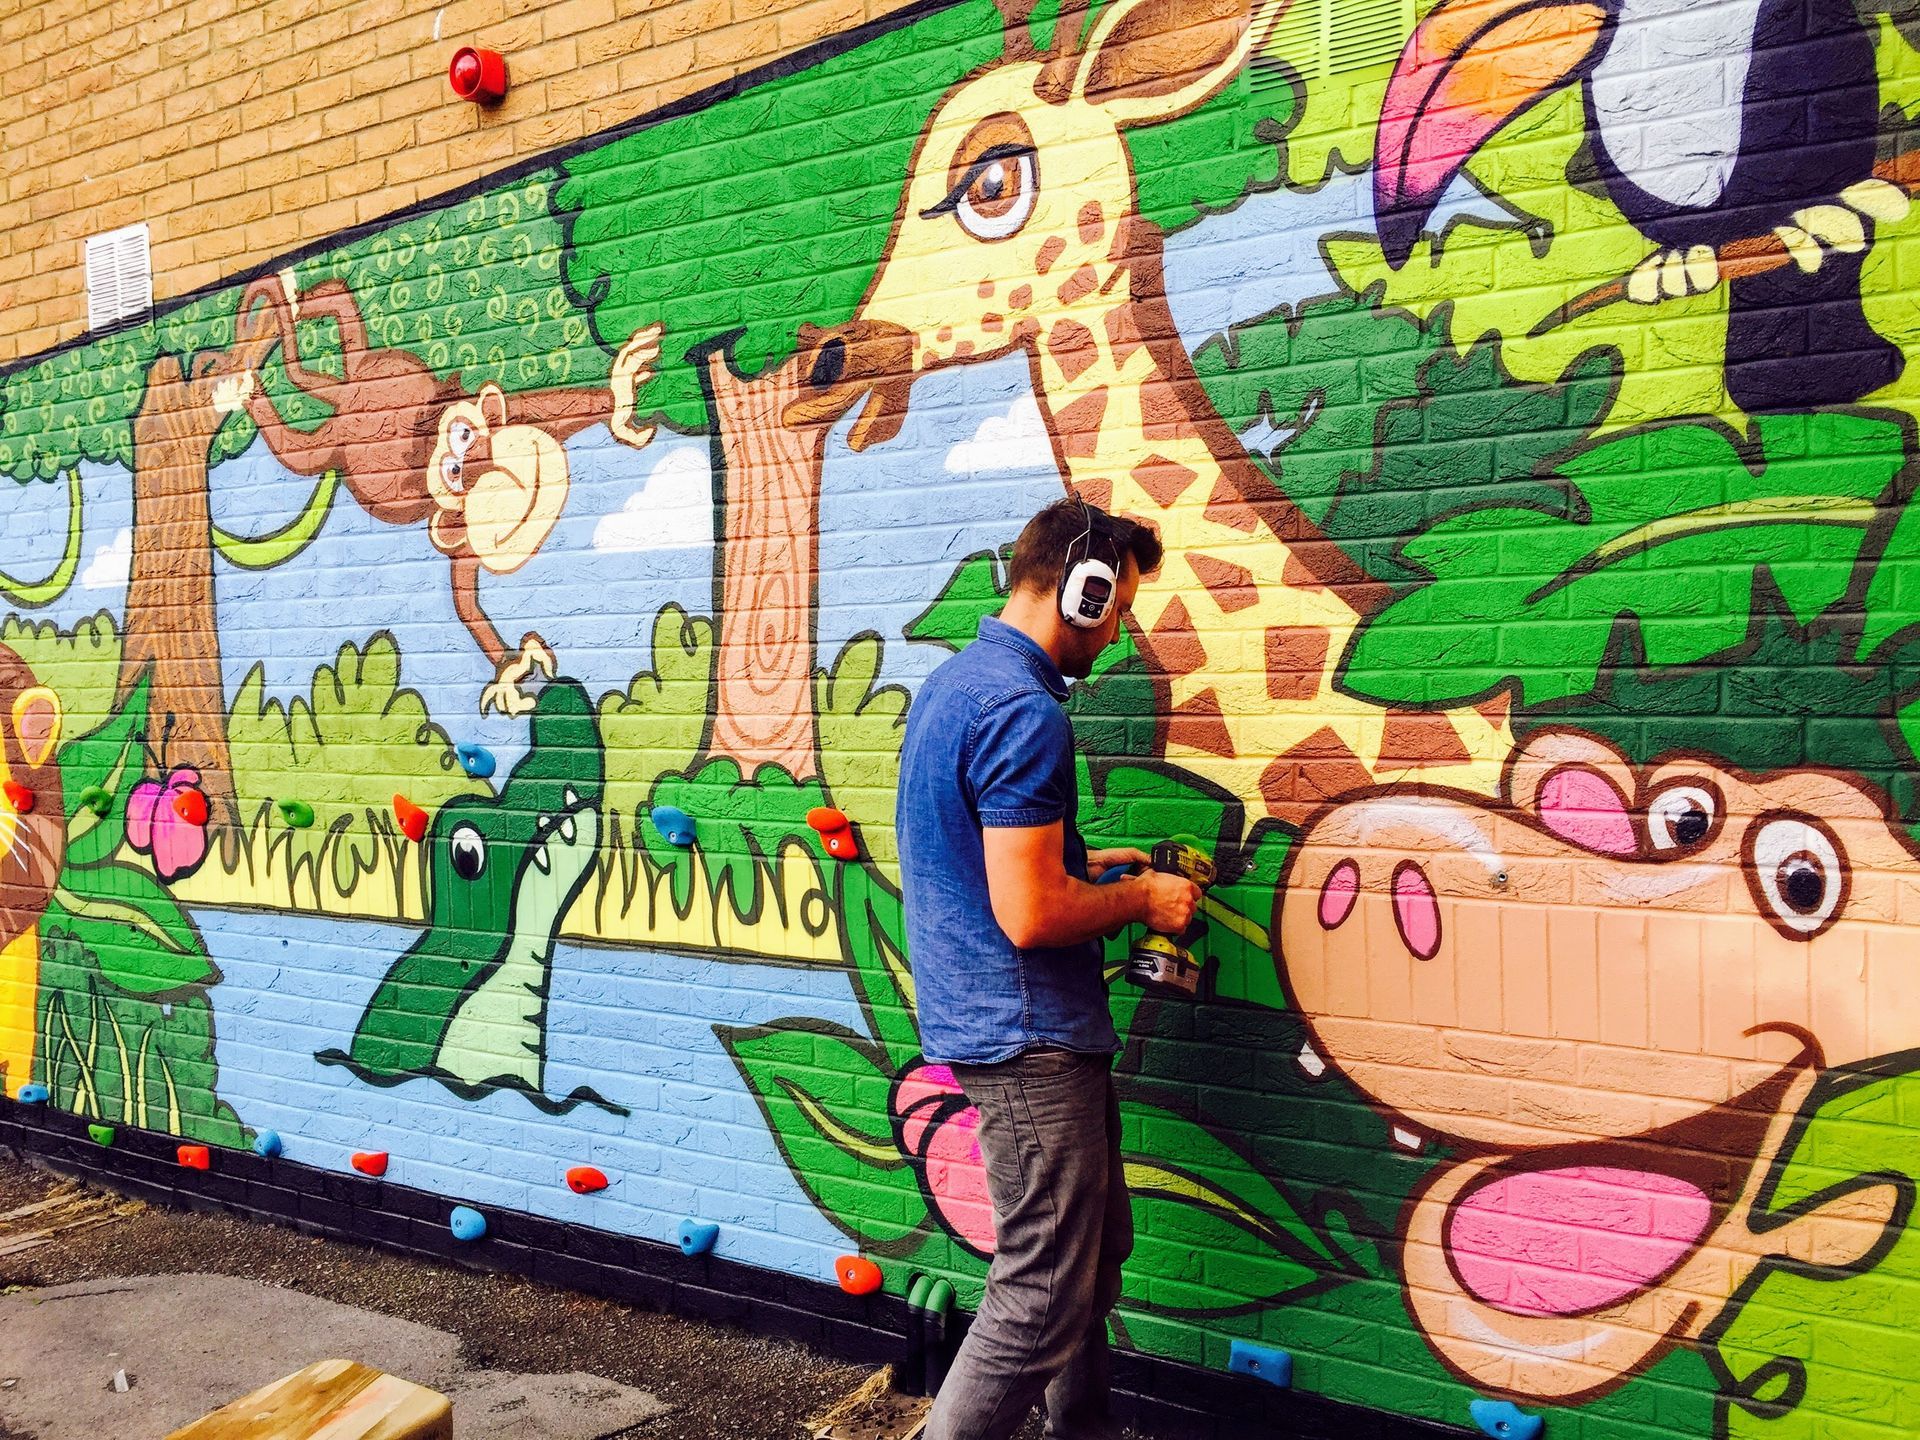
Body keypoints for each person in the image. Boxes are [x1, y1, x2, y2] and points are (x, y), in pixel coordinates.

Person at [897, 497, 1203, 1440]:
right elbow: (1029, 916)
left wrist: (1084, 867)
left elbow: (988, 864)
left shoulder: (954, 687)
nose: (1118, 637)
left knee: (1089, 1263)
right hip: (1028, 1037)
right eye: (1117, 612)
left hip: (1006, 1024)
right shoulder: (1024, 712)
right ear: (1082, 590)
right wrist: (1145, 902)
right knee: (1039, 1288)